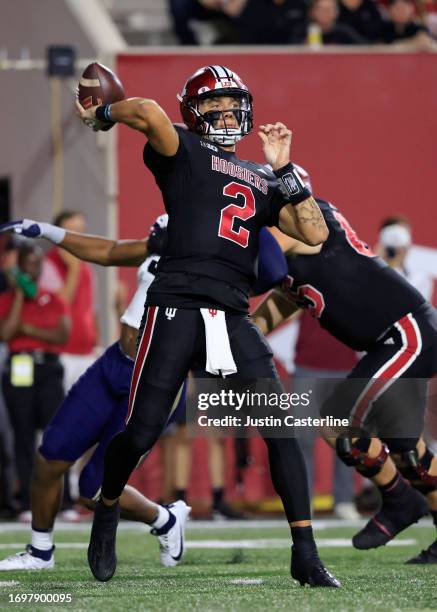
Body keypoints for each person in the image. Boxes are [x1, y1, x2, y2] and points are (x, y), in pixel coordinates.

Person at [76, 64, 339, 587]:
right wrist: (101, 115)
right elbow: (147, 111)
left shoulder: (264, 179)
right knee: (143, 430)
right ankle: (108, 508)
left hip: (232, 314)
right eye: (213, 105)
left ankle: (305, 553)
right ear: (194, 113)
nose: (224, 113)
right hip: (176, 303)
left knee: (279, 427)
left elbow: (313, 231)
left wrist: (284, 168)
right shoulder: (183, 152)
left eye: (230, 104)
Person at [251, 177, 437, 564]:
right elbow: (276, 306)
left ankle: (400, 500)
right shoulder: (295, 258)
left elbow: (260, 258)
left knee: (336, 419)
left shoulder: (312, 226)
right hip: (395, 338)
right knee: (406, 447)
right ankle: (410, 502)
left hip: (406, 333)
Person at [0, 215, 190, 571]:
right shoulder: (158, 247)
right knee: (50, 458)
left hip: (152, 379)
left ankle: (165, 520)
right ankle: (40, 551)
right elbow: (106, 250)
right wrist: (47, 231)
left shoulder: (209, 267)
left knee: (94, 491)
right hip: (114, 363)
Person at [0, 244, 70, 520]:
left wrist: (27, 329)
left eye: (37, 262)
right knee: (23, 433)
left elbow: (61, 336)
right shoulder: (7, 299)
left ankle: (62, 502)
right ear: (20, 266)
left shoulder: (53, 298)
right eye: (28, 262)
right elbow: (6, 333)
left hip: (48, 367)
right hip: (20, 365)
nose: (34, 267)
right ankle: (29, 503)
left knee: (55, 433)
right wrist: (19, 294)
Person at [40, 210, 99, 394]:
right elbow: (61, 304)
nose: (79, 236)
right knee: (63, 414)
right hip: (61, 354)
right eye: (72, 230)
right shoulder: (46, 264)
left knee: (90, 412)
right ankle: (192, 418)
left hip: (86, 353)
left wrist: (95, 343)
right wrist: (73, 269)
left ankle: (192, 420)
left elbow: (92, 309)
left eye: (81, 230)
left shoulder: (86, 265)